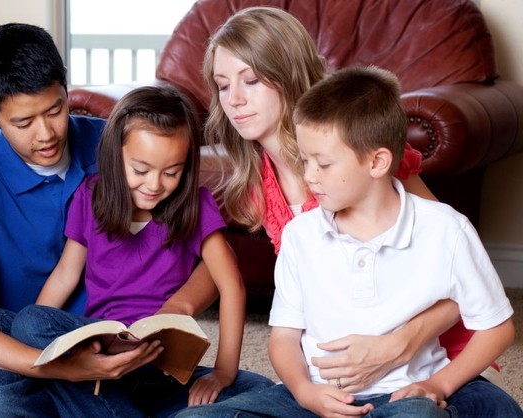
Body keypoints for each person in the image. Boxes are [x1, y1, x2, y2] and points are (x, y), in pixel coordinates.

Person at [177, 65, 522, 417]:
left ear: (377, 162)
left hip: (406, 395)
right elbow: (283, 339)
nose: (309, 176)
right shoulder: (301, 235)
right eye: (305, 160)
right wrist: (305, 392)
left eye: (322, 164)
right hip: (315, 400)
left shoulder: (446, 229)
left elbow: (496, 328)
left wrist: (439, 385)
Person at [0, 23, 218, 417]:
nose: (47, 133)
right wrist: (66, 369)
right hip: (33, 362)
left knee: (260, 392)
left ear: (67, 89)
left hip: (130, 357)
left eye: (56, 109)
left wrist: (178, 307)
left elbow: (209, 252)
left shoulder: (120, 148)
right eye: (23, 123)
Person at [11, 85, 274, 416]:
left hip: (161, 368)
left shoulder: (194, 205)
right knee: (29, 321)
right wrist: (40, 346)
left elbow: (231, 283)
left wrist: (224, 372)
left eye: (171, 172)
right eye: (141, 170)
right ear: (115, 154)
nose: (154, 185)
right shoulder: (90, 197)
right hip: (101, 364)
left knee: (260, 391)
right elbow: (66, 274)